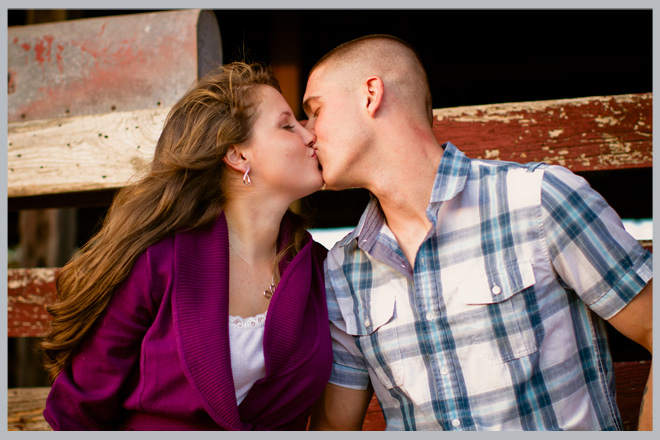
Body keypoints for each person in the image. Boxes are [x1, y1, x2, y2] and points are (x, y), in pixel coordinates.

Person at [303, 35, 653, 431]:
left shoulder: (539, 200)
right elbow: (334, 427)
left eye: (315, 111)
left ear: (370, 95)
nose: (307, 134)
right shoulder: (343, 269)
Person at [41, 62, 332, 430]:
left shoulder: (321, 270)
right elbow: (77, 414)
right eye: (287, 125)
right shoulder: (155, 261)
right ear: (237, 155)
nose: (309, 136)